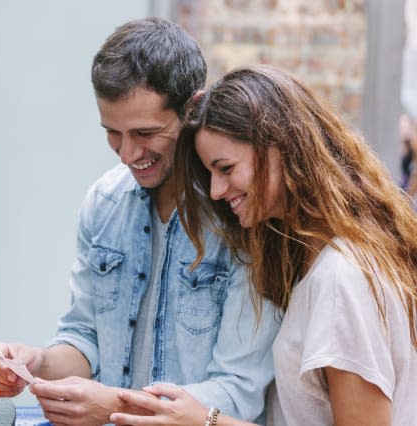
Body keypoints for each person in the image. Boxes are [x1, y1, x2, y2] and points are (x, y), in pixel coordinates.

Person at [0, 19, 280, 426]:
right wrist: (37, 361)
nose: (126, 153)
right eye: (113, 133)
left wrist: (116, 405)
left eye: (144, 132)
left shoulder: (243, 217)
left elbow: (237, 393)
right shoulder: (103, 204)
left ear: (192, 109)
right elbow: (85, 339)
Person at [109, 64, 417, 426]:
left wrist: (206, 420)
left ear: (280, 149)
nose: (216, 191)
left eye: (225, 168)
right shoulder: (315, 257)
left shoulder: (340, 279)